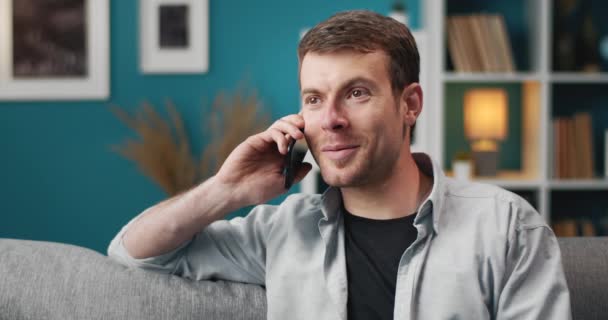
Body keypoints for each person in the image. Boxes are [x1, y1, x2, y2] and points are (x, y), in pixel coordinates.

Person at [108, 10, 572, 320]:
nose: (331, 119)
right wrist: (226, 190)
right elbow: (135, 254)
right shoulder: (281, 231)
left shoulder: (506, 226)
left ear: (410, 104)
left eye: (357, 93)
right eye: (314, 99)